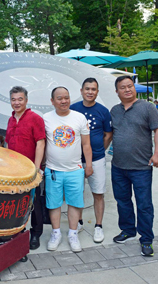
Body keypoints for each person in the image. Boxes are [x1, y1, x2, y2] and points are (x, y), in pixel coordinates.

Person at [110, 76, 158, 257]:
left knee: (144, 204)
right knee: (122, 201)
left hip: (141, 167)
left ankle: (146, 238)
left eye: (130, 86)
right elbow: (110, 135)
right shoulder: (114, 110)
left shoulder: (147, 107)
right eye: (123, 87)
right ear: (116, 91)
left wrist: (157, 153)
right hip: (118, 166)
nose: (127, 90)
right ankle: (127, 230)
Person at [44, 87, 93, 253]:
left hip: (75, 169)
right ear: (52, 101)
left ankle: (73, 234)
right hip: (53, 170)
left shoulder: (79, 117)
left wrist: (89, 165)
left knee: (75, 202)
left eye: (66, 97)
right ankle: (56, 233)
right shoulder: (46, 119)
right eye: (59, 98)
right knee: (54, 203)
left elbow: (86, 144)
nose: (63, 101)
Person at [70, 78, 112, 243]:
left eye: (93, 89)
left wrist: (99, 149)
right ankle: (78, 222)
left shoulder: (103, 111)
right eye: (87, 89)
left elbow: (108, 134)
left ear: (97, 92)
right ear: (81, 91)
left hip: (97, 159)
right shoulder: (73, 109)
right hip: (75, 160)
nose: (90, 92)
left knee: (98, 193)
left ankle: (98, 226)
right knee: (77, 192)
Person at [5, 86, 46, 250]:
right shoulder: (11, 119)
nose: (17, 102)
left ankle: (36, 233)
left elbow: (40, 143)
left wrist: (36, 169)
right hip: (14, 170)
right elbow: (8, 143)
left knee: (34, 203)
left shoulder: (35, 118)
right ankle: (18, 232)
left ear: (26, 100)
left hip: (30, 169)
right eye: (13, 99)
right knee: (16, 203)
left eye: (20, 99)